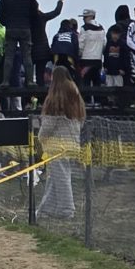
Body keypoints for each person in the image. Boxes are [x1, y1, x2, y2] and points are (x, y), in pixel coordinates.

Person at [0, 0, 63, 111]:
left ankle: (5, 81)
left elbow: (0, 14)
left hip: (11, 28)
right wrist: (27, 22)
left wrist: (7, 23)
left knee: (9, 56)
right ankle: (31, 81)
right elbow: (34, 13)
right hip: (25, 29)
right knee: (27, 56)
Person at [38, 65, 86, 221]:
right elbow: (81, 121)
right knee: (55, 178)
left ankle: (67, 209)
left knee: (62, 178)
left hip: (57, 146)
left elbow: (48, 125)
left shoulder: (55, 98)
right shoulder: (76, 95)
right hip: (72, 144)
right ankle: (47, 209)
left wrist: (40, 137)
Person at [78, 9, 106, 87]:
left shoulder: (84, 28)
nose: (83, 19)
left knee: (85, 85)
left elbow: (80, 44)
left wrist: (79, 54)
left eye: (85, 17)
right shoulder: (101, 28)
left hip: (86, 61)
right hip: (98, 61)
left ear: (91, 16)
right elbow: (104, 44)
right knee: (97, 84)